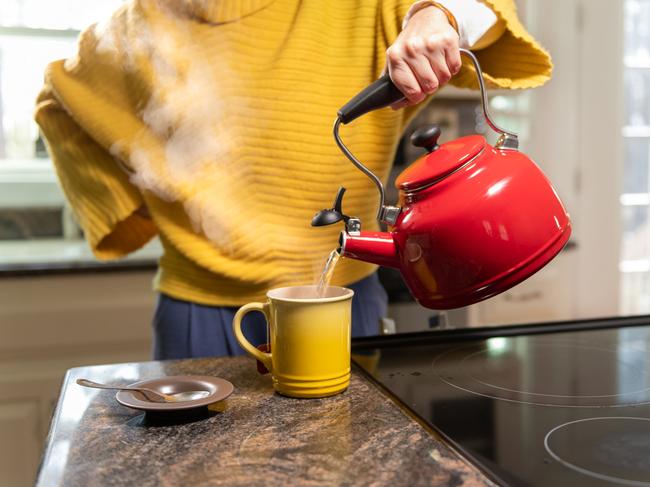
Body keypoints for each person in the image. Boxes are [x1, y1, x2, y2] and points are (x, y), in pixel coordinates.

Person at [35, 0, 551, 359]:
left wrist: (436, 17)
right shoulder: (132, 29)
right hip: (199, 309)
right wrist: (142, 199)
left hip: (345, 300)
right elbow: (57, 101)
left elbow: (484, 9)